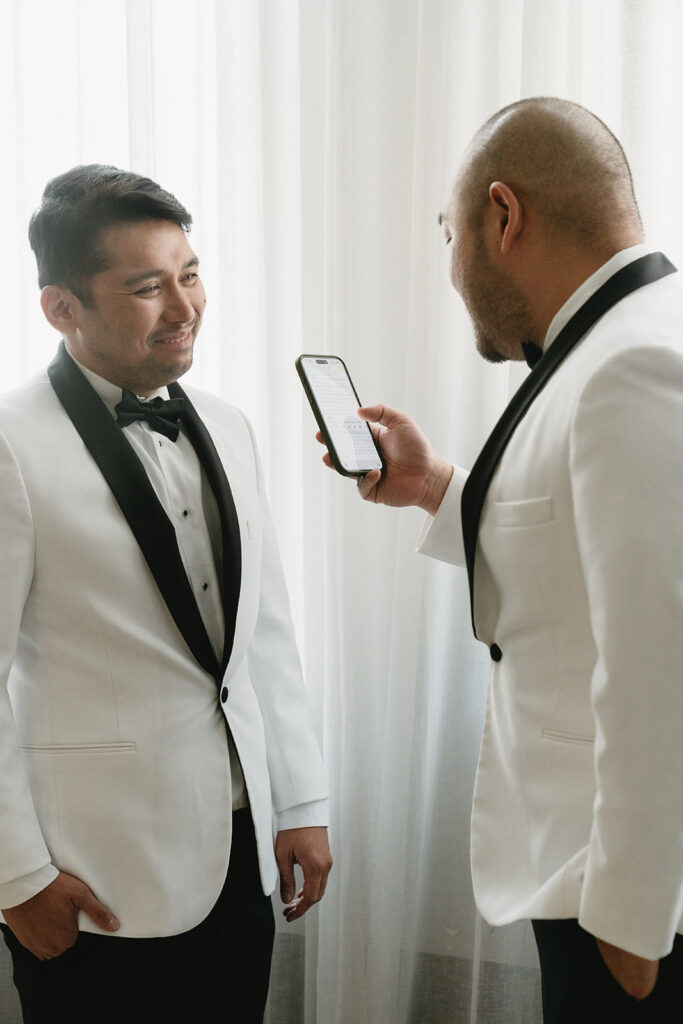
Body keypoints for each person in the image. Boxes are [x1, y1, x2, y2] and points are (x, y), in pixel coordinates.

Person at [318, 98, 683, 1022]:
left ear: (502, 215)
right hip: (596, 876)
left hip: (623, 898)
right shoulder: (620, 339)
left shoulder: (626, 368)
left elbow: (659, 660)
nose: (450, 267)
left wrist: (631, 920)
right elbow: (580, 545)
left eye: (448, 233)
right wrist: (438, 486)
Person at [0, 165, 332, 1024]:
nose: (184, 306)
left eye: (190, 274)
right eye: (147, 286)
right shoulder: (9, 446)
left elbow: (265, 635)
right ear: (62, 308)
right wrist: (15, 879)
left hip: (241, 854)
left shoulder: (227, 422)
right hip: (98, 879)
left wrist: (296, 802)